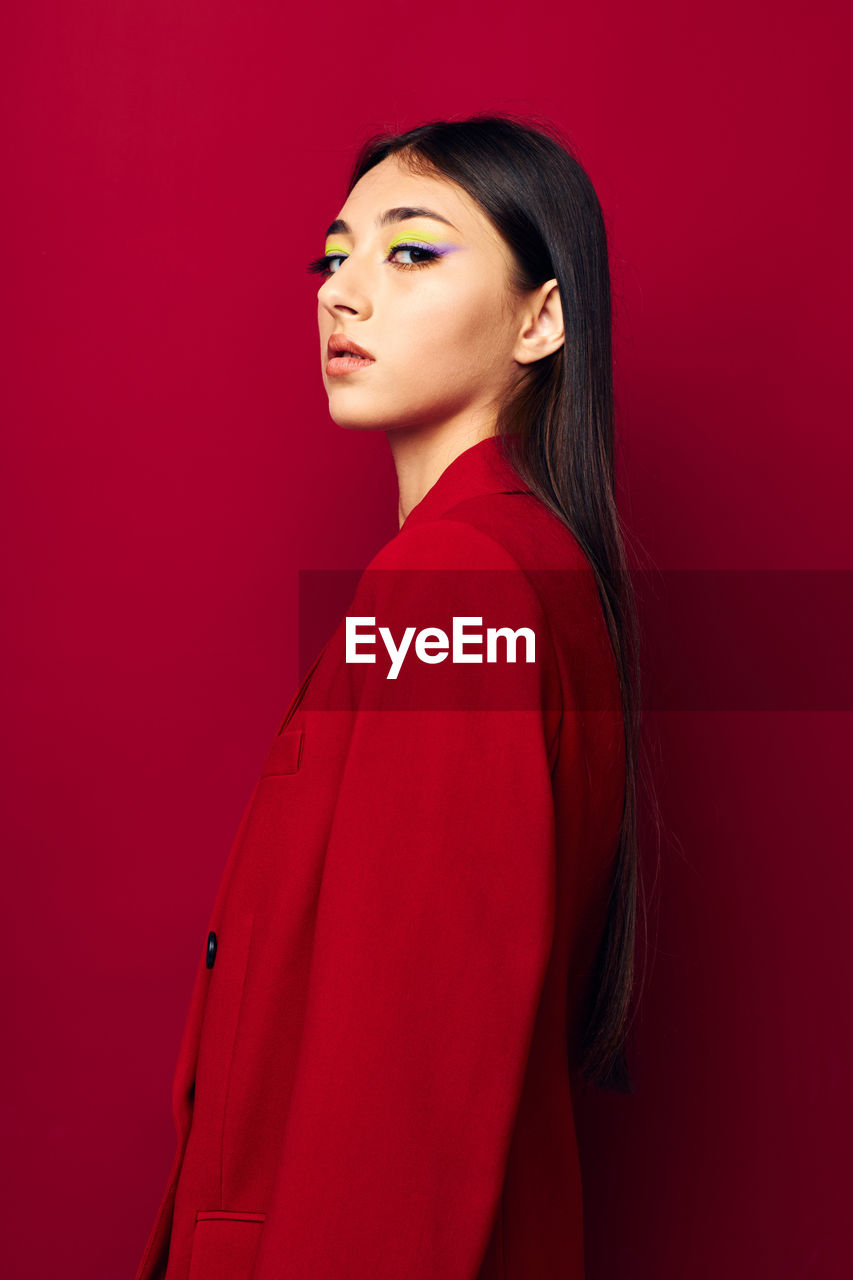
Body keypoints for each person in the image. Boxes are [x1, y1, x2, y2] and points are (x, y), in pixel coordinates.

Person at [134, 113, 641, 1280]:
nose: (341, 294)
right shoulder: (530, 570)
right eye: (334, 254)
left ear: (542, 318)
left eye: (410, 251)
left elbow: (406, 1079)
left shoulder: (452, 580)